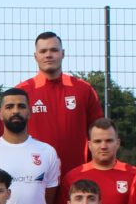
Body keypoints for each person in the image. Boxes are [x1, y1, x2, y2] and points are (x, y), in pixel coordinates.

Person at [16, 31, 104, 178]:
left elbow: (99, 133)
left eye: (54, 50)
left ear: (63, 53)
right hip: (33, 176)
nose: (48, 55)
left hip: (77, 174)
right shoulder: (21, 92)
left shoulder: (83, 89)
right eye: (43, 51)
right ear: (35, 56)